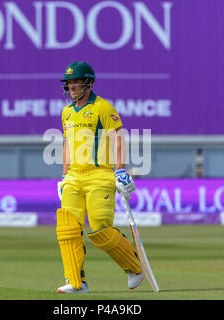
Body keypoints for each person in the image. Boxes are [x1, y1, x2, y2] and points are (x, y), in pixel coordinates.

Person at [56, 61, 142, 293]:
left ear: (89, 83)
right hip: (74, 176)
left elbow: (118, 138)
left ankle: (134, 267)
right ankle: (76, 282)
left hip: (100, 175)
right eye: (69, 83)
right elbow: (66, 143)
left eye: (77, 82)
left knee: (101, 228)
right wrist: (64, 175)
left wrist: (121, 170)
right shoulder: (66, 112)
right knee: (68, 227)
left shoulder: (103, 107)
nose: (72, 87)